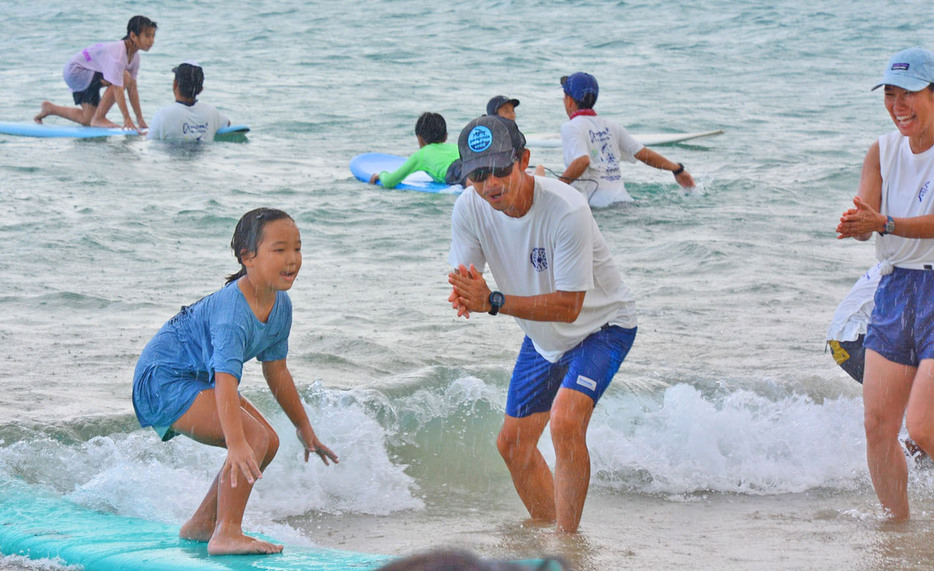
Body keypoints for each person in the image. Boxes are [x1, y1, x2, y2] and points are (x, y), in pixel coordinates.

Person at [447, 115, 638, 533]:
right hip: (543, 335)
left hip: (602, 325)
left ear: (524, 160)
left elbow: (570, 307)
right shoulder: (470, 207)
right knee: (512, 445)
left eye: (499, 168)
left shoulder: (567, 209)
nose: (490, 183)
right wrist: (465, 291)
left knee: (566, 421)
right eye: (478, 174)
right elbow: (465, 275)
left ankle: (569, 547)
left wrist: (492, 301)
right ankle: (547, 534)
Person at [132, 208, 338, 555]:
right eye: (279, 250)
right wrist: (236, 441)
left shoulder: (280, 305)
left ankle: (203, 523)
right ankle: (227, 532)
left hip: (196, 378)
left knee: (267, 442)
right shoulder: (233, 313)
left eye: (297, 248)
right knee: (251, 439)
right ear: (248, 257)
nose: (292, 260)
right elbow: (225, 382)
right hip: (163, 380)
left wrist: (304, 428)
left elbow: (277, 371)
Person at [836, 46, 934, 520]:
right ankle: (899, 530)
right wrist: (857, 223)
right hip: (895, 293)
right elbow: (869, 213)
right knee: (878, 426)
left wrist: (885, 223)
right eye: (890, 95)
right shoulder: (881, 149)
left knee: (924, 427)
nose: (898, 106)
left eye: (909, 94)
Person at [557, 71, 696, 207]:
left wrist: (557, 189)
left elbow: (583, 160)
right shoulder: (612, 126)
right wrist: (677, 169)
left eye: (564, 95)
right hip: (624, 203)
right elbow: (643, 154)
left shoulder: (571, 127)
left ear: (569, 101)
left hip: (597, 208)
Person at [34, 15, 157, 131]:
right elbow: (118, 88)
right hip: (76, 71)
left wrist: (140, 120)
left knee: (88, 120)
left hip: (88, 72)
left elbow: (132, 89)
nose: (151, 40)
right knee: (124, 77)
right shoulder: (118, 56)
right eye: (147, 36)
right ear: (133, 36)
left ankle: (50, 108)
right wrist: (127, 119)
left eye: (153, 36)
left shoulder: (135, 57)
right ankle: (99, 118)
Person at [369, 112, 462, 188]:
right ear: (446, 136)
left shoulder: (421, 155)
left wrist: (381, 175)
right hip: (469, 165)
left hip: (455, 172)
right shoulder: (455, 146)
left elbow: (390, 181)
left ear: (419, 138)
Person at [147, 62, 231, 142]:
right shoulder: (212, 112)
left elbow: (150, 142)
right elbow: (227, 123)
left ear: (175, 84)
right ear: (201, 90)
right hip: (204, 156)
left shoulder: (162, 116)